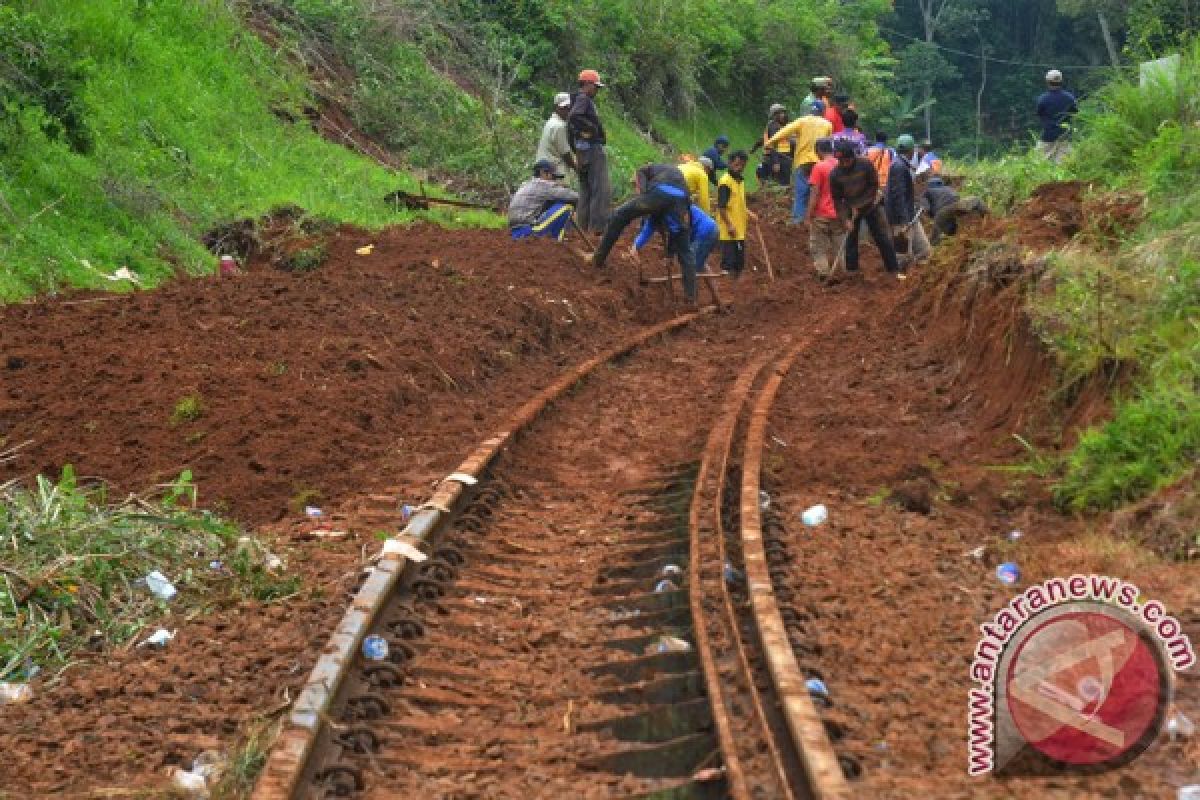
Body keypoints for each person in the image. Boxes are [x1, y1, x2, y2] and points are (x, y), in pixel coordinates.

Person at [591, 163, 690, 270]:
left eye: (634, 185)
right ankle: (674, 261)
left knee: (619, 215)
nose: (635, 188)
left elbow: (643, 191)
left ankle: (598, 259)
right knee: (676, 230)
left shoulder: (642, 172)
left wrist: (642, 194)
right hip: (681, 199)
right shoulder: (662, 171)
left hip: (665, 193)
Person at [830, 139, 902, 277]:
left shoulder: (865, 164)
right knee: (850, 239)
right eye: (841, 161)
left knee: (881, 237)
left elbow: (873, 186)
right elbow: (837, 199)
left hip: (870, 205)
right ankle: (852, 272)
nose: (844, 164)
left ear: (852, 156)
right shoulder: (835, 174)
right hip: (850, 208)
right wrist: (845, 219)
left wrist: (861, 205)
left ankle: (893, 269)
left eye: (846, 160)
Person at [630, 202, 721, 307]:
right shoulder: (654, 217)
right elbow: (645, 232)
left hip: (705, 231)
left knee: (691, 266)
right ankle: (716, 298)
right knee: (699, 264)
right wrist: (635, 247)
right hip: (705, 230)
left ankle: (692, 302)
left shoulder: (670, 211)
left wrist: (669, 256)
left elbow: (675, 234)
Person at [762, 102, 832, 222]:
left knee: (801, 194)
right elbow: (828, 144)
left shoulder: (802, 121)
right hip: (819, 163)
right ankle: (816, 220)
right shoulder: (827, 125)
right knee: (817, 193)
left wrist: (769, 142)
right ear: (823, 112)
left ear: (810, 111)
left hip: (803, 163)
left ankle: (797, 222)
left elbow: (784, 132)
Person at [569, 68, 611, 234]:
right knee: (600, 189)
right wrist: (591, 129)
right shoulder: (583, 99)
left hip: (581, 151)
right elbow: (574, 117)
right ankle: (597, 229)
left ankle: (583, 227)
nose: (597, 90)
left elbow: (571, 124)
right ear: (586, 84)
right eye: (595, 86)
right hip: (591, 150)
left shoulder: (575, 100)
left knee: (586, 190)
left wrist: (576, 142)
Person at [884, 134, 932, 268]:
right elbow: (898, 196)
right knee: (904, 255)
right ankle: (902, 281)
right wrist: (904, 221)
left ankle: (918, 277)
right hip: (901, 218)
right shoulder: (899, 167)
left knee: (924, 251)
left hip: (908, 215)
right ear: (911, 151)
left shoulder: (901, 164)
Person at [716, 151, 757, 302]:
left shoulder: (740, 181)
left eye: (742, 165)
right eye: (737, 164)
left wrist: (749, 213)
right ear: (731, 163)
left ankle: (736, 293)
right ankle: (725, 293)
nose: (739, 167)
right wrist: (729, 225)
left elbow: (738, 204)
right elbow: (721, 207)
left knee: (739, 262)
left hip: (739, 229)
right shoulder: (725, 182)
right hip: (729, 231)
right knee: (728, 262)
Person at [507, 160, 579, 241]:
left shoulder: (525, 184)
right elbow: (576, 197)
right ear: (543, 173)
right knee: (567, 206)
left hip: (515, 233)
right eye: (554, 177)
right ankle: (555, 240)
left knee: (552, 203)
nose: (555, 181)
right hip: (529, 231)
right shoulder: (544, 185)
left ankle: (559, 236)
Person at [804, 137, 843, 280]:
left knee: (817, 246)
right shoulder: (842, 165)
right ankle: (842, 272)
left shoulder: (819, 167)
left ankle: (824, 273)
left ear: (819, 151)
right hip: (840, 214)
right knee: (839, 245)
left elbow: (814, 193)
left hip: (822, 214)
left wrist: (808, 215)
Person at [922, 177, 989, 244]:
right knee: (975, 199)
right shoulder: (948, 188)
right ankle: (987, 215)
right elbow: (957, 196)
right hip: (958, 205)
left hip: (941, 213)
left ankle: (934, 244)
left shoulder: (927, 192)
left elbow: (926, 208)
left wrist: (931, 216)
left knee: (934, 239)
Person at [1037, 69, 1078, 163]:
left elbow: (1040, 115)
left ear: (1047, 82)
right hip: (1065, 135)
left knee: (1040, 163)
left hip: (1048, 136)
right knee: (1063, 165)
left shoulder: (1043, 99)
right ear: (1061, 81)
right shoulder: (1070, 98)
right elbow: (1074, 114)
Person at [750, 104, 794, 187]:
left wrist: (754, 148)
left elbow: (762, 139)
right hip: (777, 158)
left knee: (780, 184)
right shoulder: (774, 126)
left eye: (783, 113)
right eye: (779, 113)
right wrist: (776, 162)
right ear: (774, 116)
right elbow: (773, 145)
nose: (782, 115)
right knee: (781, 184)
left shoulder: (784, 126)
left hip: (783, 158)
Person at [535, 92, 577, 179]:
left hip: (543, 168)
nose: (567, 110)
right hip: (553, 171)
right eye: (563, 108)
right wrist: (577, 168)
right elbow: (566, 154)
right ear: (556, 108)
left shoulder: (551, 122)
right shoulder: (559, 126)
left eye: (568, 108)